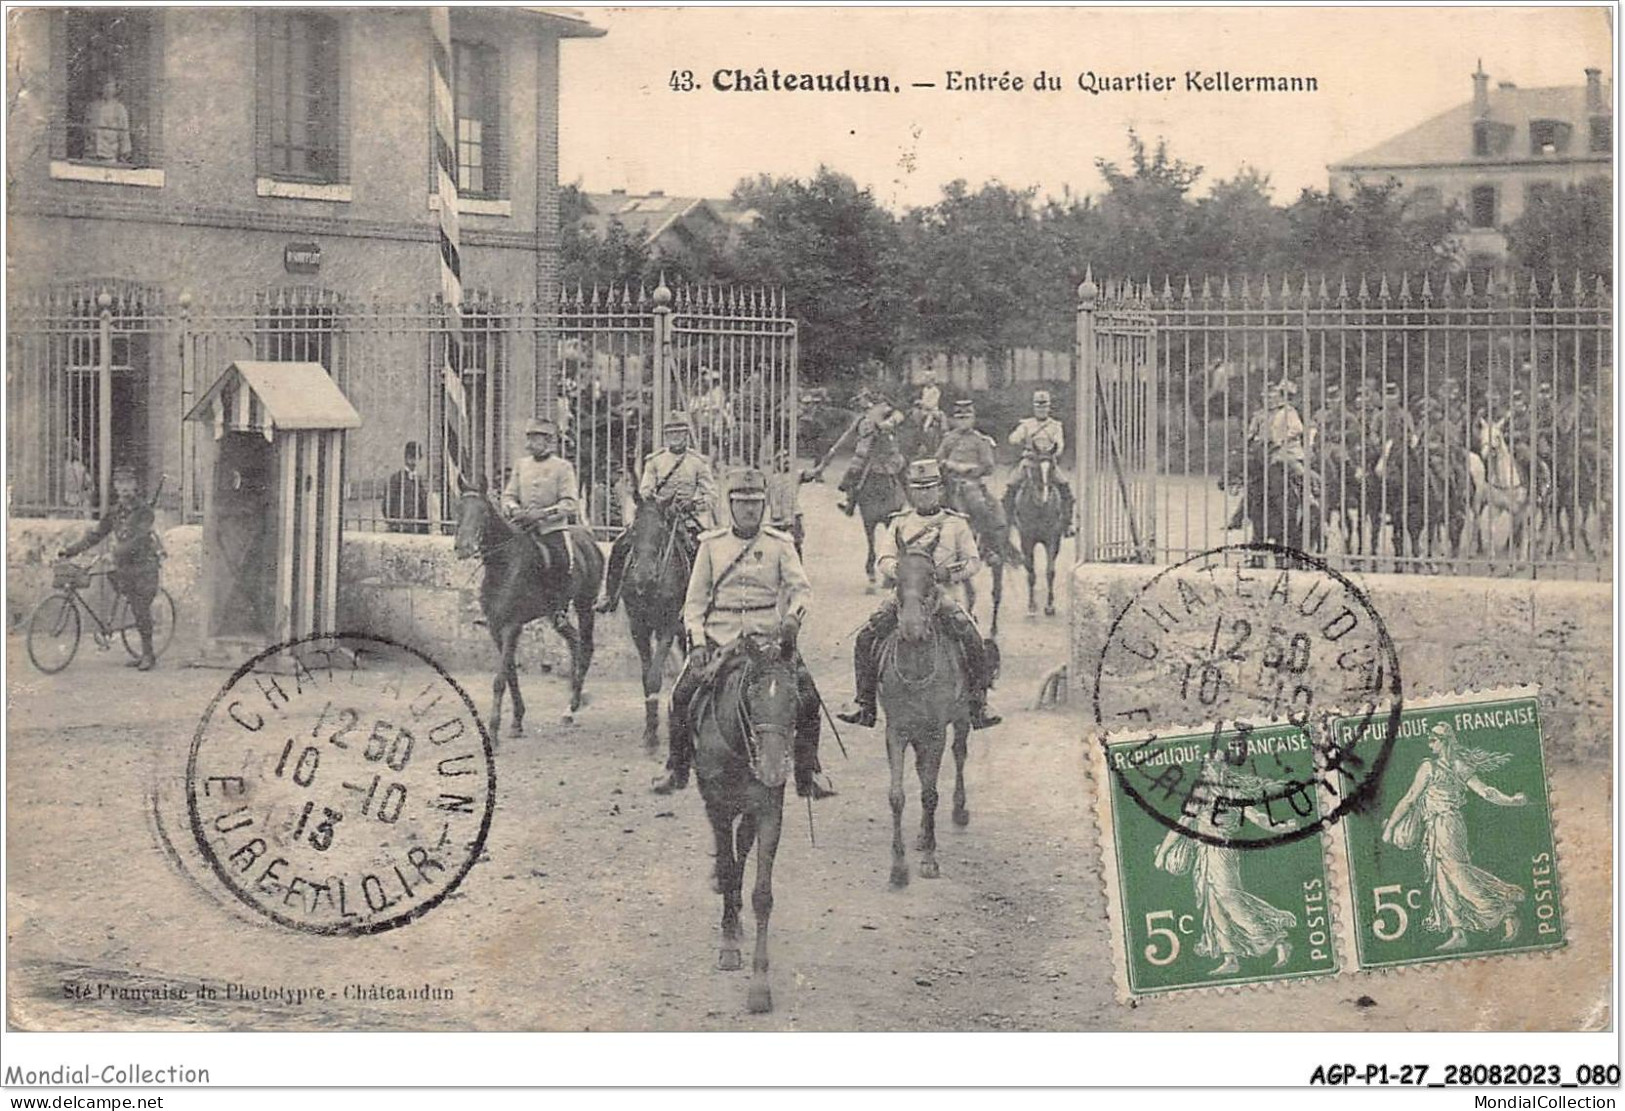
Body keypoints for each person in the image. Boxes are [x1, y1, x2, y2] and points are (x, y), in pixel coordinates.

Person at [653, 468, 836, 800]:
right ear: (730, 505)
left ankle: (809, 773)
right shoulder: (711, 546)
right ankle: (676, 767)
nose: (749, 509)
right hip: (720, 638)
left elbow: (801, 591)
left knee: (808, 695)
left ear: (764, 504)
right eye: (741, 503)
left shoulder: (780, 544)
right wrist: (696, 643)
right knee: (680, 696)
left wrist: (793, 618)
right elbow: (694, 602)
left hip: (768, 640)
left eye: (755, 503)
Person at [837, 458, 1002, 731]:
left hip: (943, 593)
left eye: (930, 488)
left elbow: (974, 561)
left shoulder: (956, 524)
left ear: (939, 490)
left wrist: (949, 574)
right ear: (910, 492)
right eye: (918, 488)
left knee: (970, 634)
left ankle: (979, 703)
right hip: (906, 594)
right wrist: (901, 571)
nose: (924, 494)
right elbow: (884, 558)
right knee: (866, 635)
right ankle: (864, 703)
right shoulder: (900, 523)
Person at [1382, 722, 1528, 952]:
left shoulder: (1437, 767)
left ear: (1446, 741)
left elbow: (1485, 791)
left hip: (1447, 825)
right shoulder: (1444, 766)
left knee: (1457, 873)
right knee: (1442, 877)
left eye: (1434, 739)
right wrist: (1511, 800)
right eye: (1430, 738)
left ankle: (1503, 911)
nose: (1430, 743)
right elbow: (1411, 798)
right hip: (1436, 826)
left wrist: (1511, 801)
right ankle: (1458, 932)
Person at [598, 411, 718, 614]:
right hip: (656, 515)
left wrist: (693, 504)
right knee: (621, 544)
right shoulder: (655, 461)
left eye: (679, 433)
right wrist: (655, 499)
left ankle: (703, 602)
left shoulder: (697, 462)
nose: (675, 438)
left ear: (687, 435)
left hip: (686, 518)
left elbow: (712, 495)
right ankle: (610, 596)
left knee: (701, 551)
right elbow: (645, 489)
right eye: (671, 434)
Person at [58, 462, 161, 670]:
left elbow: (139, 539)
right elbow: (96, 535)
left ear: (136, 486)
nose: (124, 487)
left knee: (140, 608)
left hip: (144, 567)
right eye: (120, 483)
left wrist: (114, 553)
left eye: (128, 482)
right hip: (124, 567)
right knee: (128, 597)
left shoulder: (144, 512)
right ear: (115, 486)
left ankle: (148, 655)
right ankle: (127, 631)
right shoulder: (114, 512)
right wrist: (70, 550)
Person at [501, 417, 579, 583]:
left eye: (536, 438)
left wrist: (542, 514)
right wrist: (515, 510)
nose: (530, 442)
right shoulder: (521, 465)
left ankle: (558, 605)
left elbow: (570, 504)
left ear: (548, 440)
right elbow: (508, 496)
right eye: (529, 437)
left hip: (551, 529)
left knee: (563, 564)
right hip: (521, 528)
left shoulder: (563, 467)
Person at [936, 397, 1010, 541]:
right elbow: (938, 459)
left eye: (967, 418)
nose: (963, 422)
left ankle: (985, 540)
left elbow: (988, 466)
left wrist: (970, 469)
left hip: (971, 483)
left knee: (979, 505)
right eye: (960, 418)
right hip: (949, 482)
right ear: (955, 420)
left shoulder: (980, 440)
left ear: (973, 419)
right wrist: (949, 464)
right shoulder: (948, 439)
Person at [1004, 389, 1074, 535]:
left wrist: (1053, 449)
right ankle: (1007, 521)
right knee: (1011, 485)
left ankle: (1067, 523)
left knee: (1064, 486)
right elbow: (1013, 438)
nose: (1041, 410)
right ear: (1034, 407)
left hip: (1049, 462)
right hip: (1029, 462)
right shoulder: (1027, 424)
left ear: (1049, 407)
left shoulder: (1055, 426)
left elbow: (1060, 445)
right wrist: (1018, 437)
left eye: (1044, 406)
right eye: (1038, 406)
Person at [836, 390, 905, 516]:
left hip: (886, 449)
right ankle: (850, 501)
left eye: (861, 400)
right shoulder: (863, 416)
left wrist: (888, 423)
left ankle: (909, 501)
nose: (859, 403)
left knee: (902, 470)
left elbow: (898, 416)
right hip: (868, 451)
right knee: (856, 469)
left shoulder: (882, 410)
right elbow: (854, 433)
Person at [382, 441, 429, 534]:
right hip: (401, 529)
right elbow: (387, 505)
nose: (414, 462)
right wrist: (395, 524)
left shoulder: (418, 480)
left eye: (416, 458)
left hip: (419, 530)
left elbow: (423, 506)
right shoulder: (396, 479)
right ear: (406, 458)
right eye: (411, 457)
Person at [83, 75, 132, 165]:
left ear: (115, 89)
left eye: (110, 86)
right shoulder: (92, 106)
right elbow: (85, 128)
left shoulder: (119, 108)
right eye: (105, 86)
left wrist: (124, 152)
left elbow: (124, 131)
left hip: (109, 154)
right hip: (91, 154)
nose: (107, 89)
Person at [916, 368, 945, 436]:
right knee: (915, 412)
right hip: (924, 410)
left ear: (932, 380)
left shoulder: (935, 391)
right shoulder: (925, 389)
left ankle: (925, 428)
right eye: (924, 378)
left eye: (927, 378)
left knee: (931, 415)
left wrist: (923, 403)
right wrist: (919, 403)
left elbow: (933, 404)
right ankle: (917, 429)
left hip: (933, 410)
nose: (925, 380)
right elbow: (923, 400)